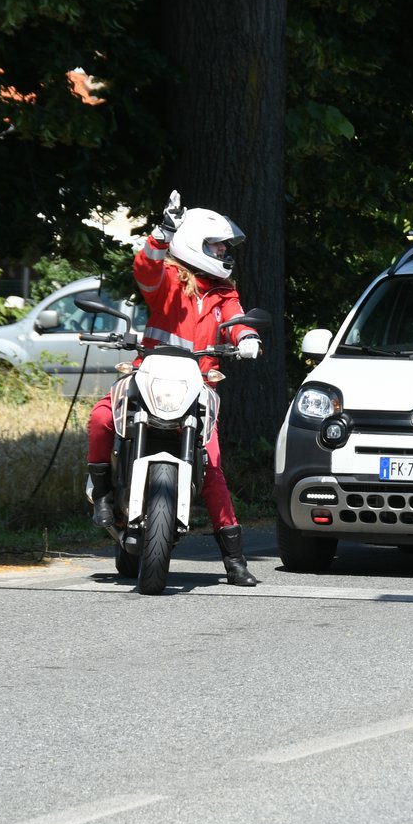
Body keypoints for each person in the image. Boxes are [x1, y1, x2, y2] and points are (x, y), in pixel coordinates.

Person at [85, 191, 263, 587]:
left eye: (222, 246)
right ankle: (102, 494)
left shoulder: (224, 292)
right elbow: (144, 269)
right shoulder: (168, 281)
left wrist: (247, 337)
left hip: (198, 386)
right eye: (215, 245)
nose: (222, 252)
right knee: (100, 418)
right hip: (147, 374)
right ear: (195, 244)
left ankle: (234, 561)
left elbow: (235, 320)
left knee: (213, 466)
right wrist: (161, 233)